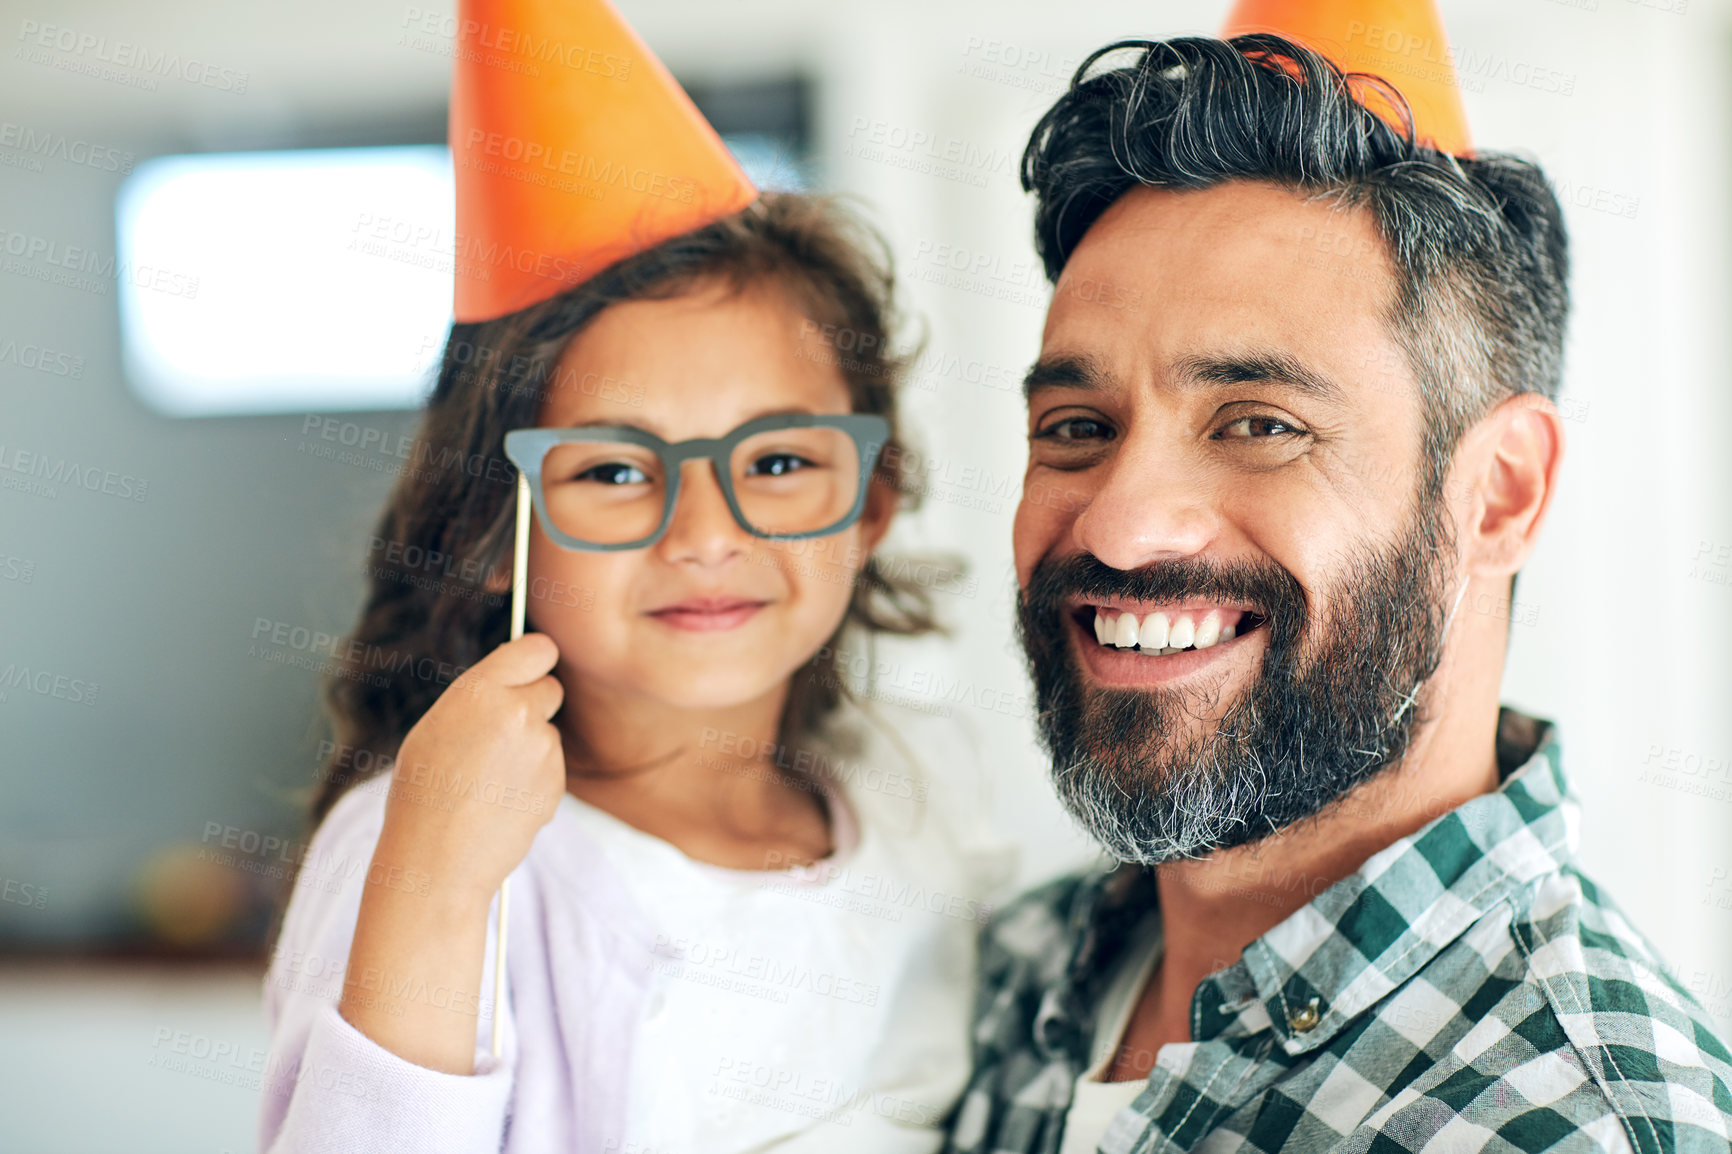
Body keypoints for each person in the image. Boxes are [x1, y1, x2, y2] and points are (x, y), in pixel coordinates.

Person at [943, 5, 1732, 1153]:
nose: (1118, 525)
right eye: (1076, 424)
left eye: (1258, 422)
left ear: (1499, 492)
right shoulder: (1009, 966)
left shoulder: (1573, 1124)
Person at [256, 3, 1006, 1152]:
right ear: (498, 532)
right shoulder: (430, 842)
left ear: (872, 504)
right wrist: (435, 887)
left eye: (779, 460)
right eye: (612, 467)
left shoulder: (921, 789)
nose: (704, 531)